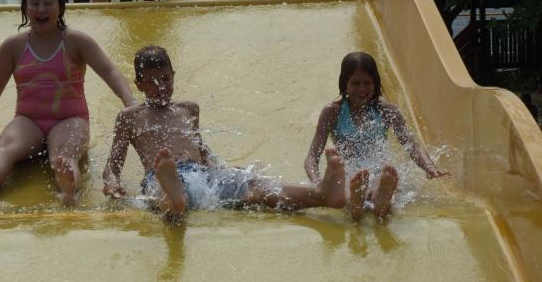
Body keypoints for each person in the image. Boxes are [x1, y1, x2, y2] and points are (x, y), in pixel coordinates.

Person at [103, 45, 369, 222]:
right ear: (138, 84)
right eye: (151, 82)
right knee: (162, 191)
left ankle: (321, 193)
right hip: (159, 177)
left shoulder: (188, 109)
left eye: (165, 79)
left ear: (173, 75)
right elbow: (112, 166)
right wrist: (113, 184)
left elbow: (201, 149)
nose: (161, 87)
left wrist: (224, 169)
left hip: (203, 176)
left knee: (256, 187)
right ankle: (175, 197)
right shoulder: (130, 116)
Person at [0, 0, 136, 204]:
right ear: (25, 8)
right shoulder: (13, 46)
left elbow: (109, 71)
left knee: (64, 156)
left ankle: (69, 191)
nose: (41, 9)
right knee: (5, 148)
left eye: (48, 3)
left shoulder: (76, 41)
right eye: (34, 3)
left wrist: (130, 102)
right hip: (29, 121)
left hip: (70, 119)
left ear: (60, 8)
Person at [304, 51, 448, 221]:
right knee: (348, 189)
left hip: (378, 168)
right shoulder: (332, 112)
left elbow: (411, 144)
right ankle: (357, 203)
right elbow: (312, 157)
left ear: (376, 83)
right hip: (349, 171)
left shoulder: (386, 110)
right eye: (355, 83)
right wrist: (318, 183)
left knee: (383, 181)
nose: (362, 89)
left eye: (367, 83)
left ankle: (379, 199)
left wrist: (429, 166)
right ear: (344, 84)